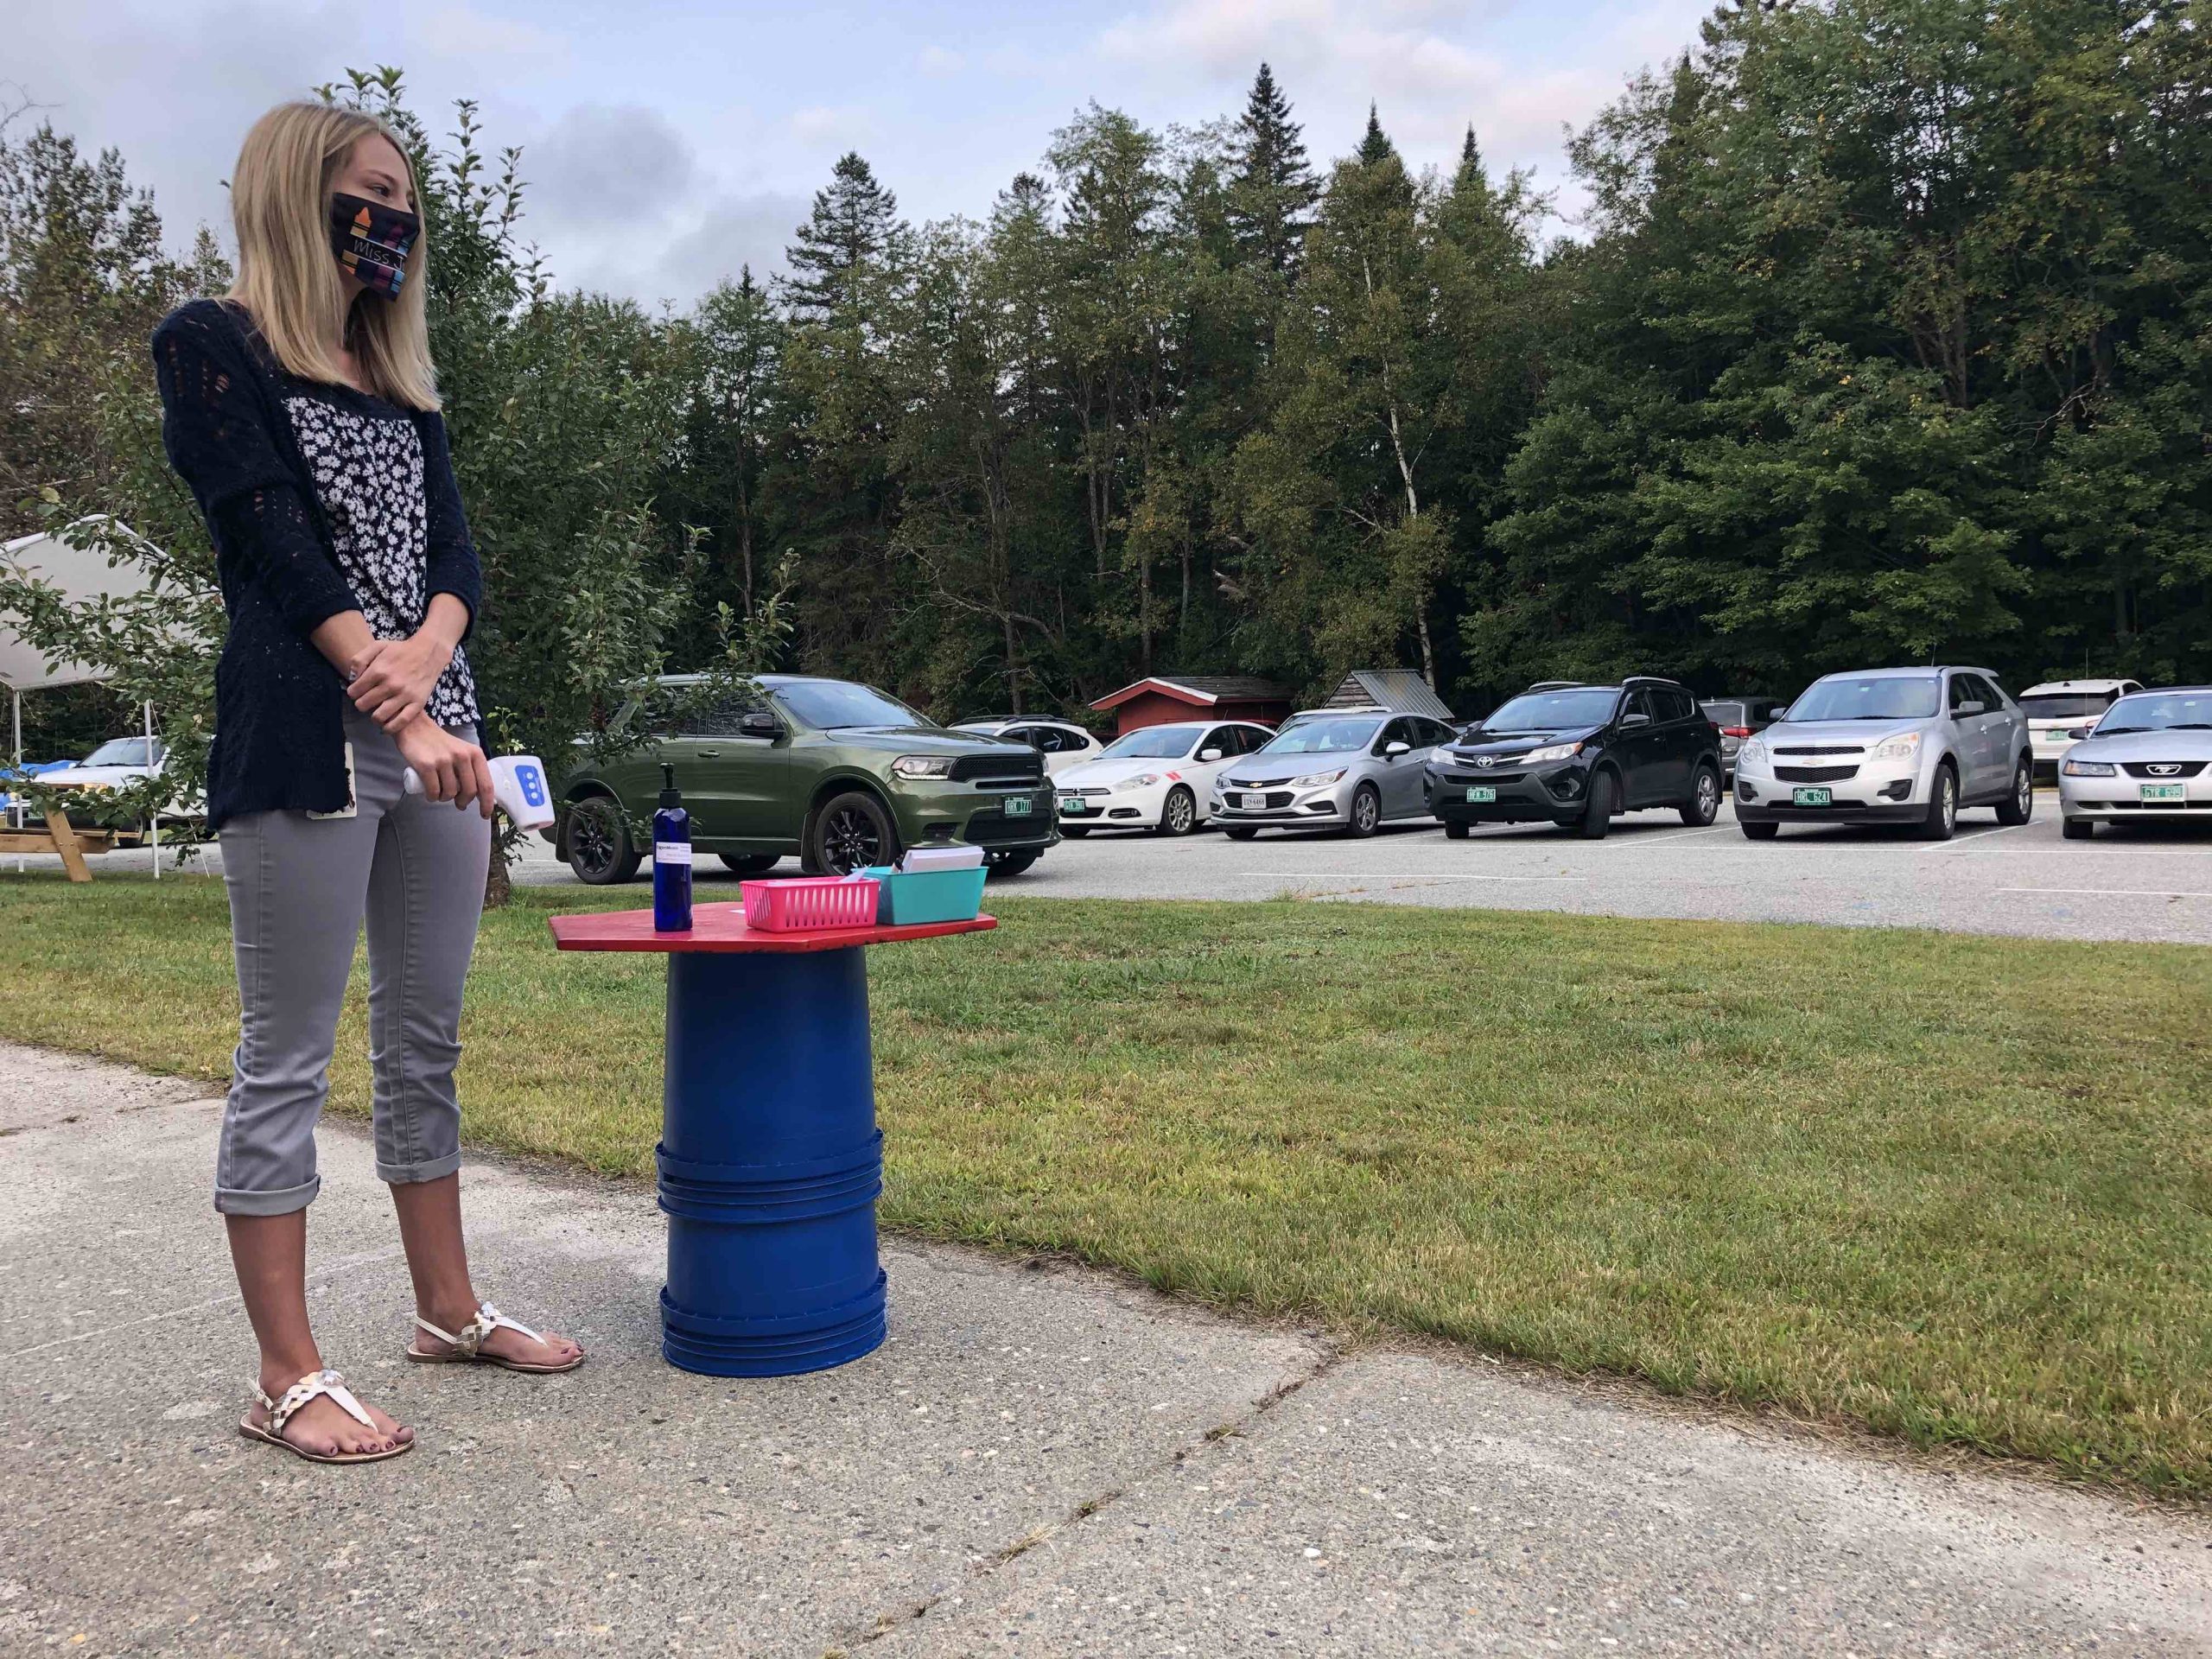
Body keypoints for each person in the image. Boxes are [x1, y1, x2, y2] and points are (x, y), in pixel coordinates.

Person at [153, 101, 582, 1466]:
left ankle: (447, 1311)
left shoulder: (401, 381)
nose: (392, 219)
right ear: (298, 192)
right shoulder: (212, 343)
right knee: (287, 1053)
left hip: (440, 743)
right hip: (308, 741)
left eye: (406, 200)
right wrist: (390, 693)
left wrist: (432, 667)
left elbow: (456, 556)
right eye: (371, 192)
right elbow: (265, 530)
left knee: (424, 1039)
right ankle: (286, 1377)